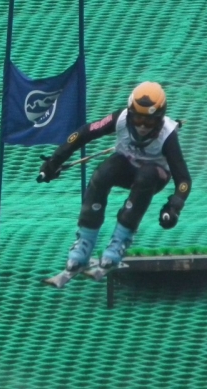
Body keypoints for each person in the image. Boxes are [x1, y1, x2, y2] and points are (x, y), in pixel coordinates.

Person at [37, 81, 191, 272]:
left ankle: (120, 241)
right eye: (138, 119)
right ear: (130, 114)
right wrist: (55, 161)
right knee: (103, 173)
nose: (142, 127)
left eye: (149, 121)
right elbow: (83, 133)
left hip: (154, 176)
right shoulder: (121, 118)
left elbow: (183, 180)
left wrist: (174, 206)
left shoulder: (167, 135)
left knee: (146, 175)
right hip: (126, 167)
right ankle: (84, 242)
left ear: (159, 119)